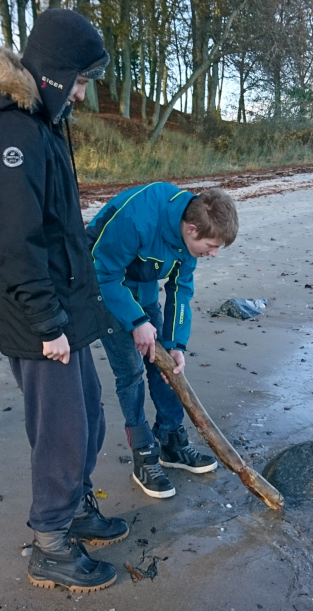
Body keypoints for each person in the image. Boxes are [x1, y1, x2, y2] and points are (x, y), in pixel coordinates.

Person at [0, 9, 128, 593]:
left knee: (87, 415)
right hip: (42, 320)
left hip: (66, 311)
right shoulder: (13, 132)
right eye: (81, 81)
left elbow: (59, 228)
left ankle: (79, 507)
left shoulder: (43, 122)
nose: (83, 95)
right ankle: (52, 543)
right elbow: (17, 243)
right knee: (60, 431)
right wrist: (47, 322)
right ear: (57, 74)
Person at [87, 183, 239, 498]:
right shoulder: (138, 218)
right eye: (211, 246)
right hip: (102, 282)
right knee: (130, 371)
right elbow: (103, 273)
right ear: (192, 229)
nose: (212, 254)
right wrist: (138, 321)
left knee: (165, 366)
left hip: (140, 283)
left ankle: (170, 440)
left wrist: (175, 344)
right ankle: (143, 454)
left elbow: (181, 290)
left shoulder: (189, 235)